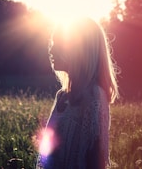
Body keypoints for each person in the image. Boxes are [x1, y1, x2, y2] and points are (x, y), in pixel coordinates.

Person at [36, 18, 119, 169]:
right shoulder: (62, 95)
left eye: (59, 44)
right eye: (52, 44)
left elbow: (96, 159)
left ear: (80, 50)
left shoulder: (94, 97)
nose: (51, 50)